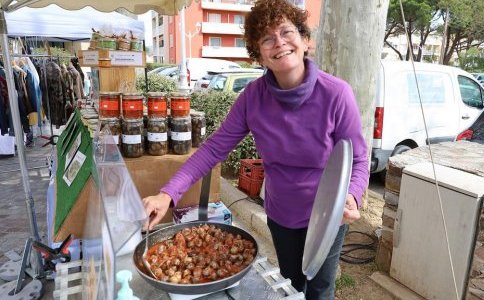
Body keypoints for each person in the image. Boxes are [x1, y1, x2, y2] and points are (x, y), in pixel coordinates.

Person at [143, 0, 369, 298]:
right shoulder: (253, 97)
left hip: (329, 213)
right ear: (258, 54)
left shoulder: (337, 94)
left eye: (287, 32)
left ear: (303, 40)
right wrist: (167, 193)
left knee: (320, 288)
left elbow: (359, 159)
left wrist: (351, 195)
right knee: (290, 283)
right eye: (267, 38)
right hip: (281, 213)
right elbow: (214, 149)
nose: (279, 43)